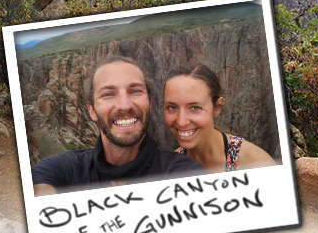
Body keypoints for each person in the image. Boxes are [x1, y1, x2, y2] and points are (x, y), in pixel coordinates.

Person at [31, 56, 207, 196]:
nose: (125, 105)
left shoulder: (183, 171)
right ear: (92, 111)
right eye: (108, 94)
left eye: (135, 91)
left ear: (150, 103)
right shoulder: (60, 170)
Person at [163, 63, 277, 172]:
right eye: (172, 107)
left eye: (195, 108)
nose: (182, 122)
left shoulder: (257, 164)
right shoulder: (171, 165)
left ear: (217, 107)